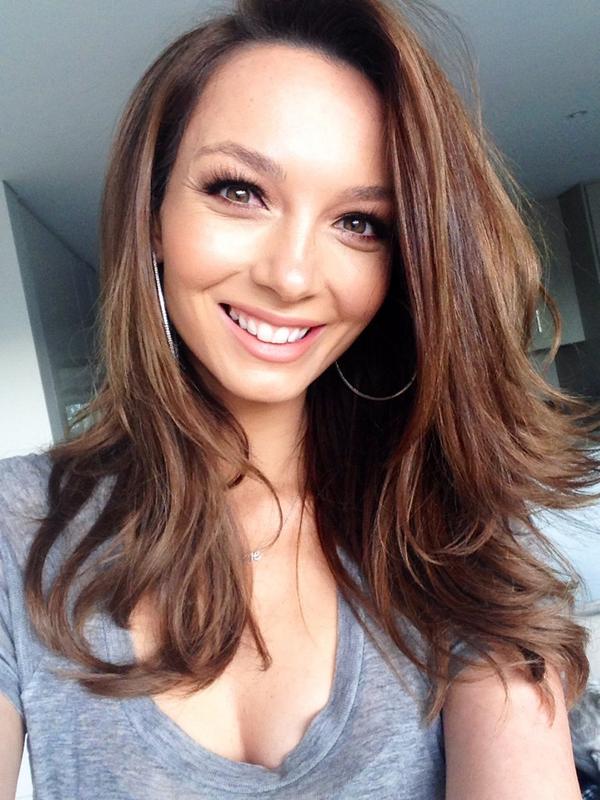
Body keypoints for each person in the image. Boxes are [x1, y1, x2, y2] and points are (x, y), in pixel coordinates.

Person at [1, 0, 600, 797]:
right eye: (239, 190)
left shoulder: (450, 531)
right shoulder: (17, 530)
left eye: (360, 222)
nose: (291, 276)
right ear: (152, 217)